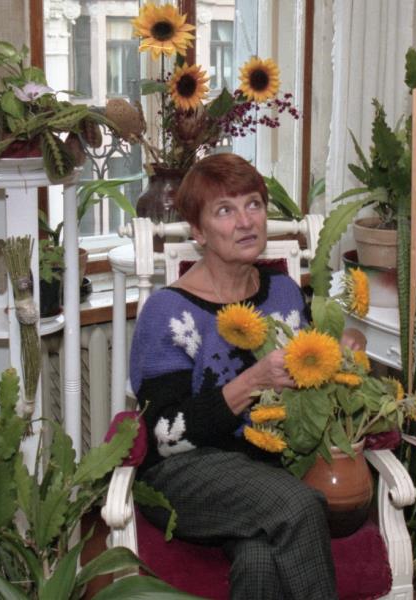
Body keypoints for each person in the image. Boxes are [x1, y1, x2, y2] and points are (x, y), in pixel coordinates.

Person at [129, 153, 351, 599]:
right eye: (224, 211)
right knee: (298, 507)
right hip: (184, 475)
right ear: (198, 232)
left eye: (253, 204)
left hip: (266, 471)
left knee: (259, 560)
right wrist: (251, 383)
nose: (246, 221)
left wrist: (342, 359)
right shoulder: (168, 312)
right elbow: (165, 436)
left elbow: (309, 385)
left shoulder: (284, 292)